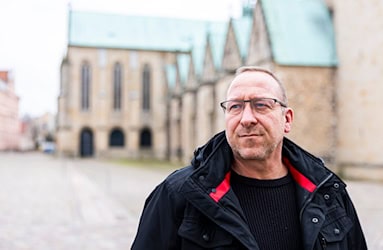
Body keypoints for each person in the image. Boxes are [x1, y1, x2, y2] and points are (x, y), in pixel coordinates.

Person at [131, 66, 367, 249]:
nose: (246, 119)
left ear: (287, 119)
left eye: (261, 105)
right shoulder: (179, 195)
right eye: (235, 107)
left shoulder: (328, 193)